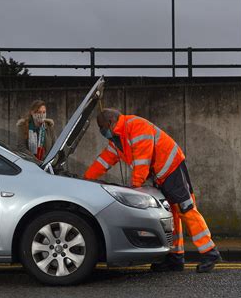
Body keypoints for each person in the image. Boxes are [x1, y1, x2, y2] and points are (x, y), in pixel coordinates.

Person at [84, 108, 221, 273]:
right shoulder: (117, 139)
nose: (101, 131)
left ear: (111, 122)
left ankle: (209, 252)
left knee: (186, 209)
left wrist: (136, 186)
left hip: (172, 169)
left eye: (102, 127)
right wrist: (85, 180)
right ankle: (175, 258)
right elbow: (104, 160)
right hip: (161, 174)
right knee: (172, 215)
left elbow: (143, 160)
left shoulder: (135, 126)